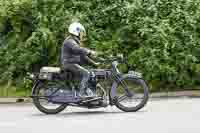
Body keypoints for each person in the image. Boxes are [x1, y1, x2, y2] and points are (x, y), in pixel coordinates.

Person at [61, 22, 97, 98]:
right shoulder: (70, 41)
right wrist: (89, 51)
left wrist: (95, 63)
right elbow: (77, 49)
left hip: (72, 64)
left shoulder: (74, 41)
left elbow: (82, 56)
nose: (82, 35)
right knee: (86, 73)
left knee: (90, 72)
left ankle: (87, 91)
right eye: (80, 32)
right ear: (76, 31)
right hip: (69, 64)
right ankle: (81, 94)